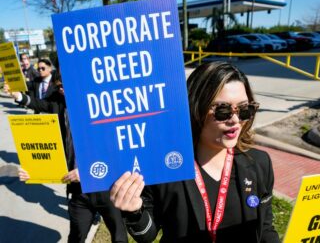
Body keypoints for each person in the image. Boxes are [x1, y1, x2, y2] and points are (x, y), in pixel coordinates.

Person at [109, 61, 281, 243]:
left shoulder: (259, 163)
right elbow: (147, 235)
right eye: (223, 110)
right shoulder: (165, 166)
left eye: (245, 110)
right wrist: (135, 211)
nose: (236, 120)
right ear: (195, 107)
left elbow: (264, 228)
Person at [5, 67, 128, 243]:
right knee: (76, 236)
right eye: (57, 86)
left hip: (106, 185)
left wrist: (87, 170)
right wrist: (35, 171)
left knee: (119, 236)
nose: (60, 89)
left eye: (63, 85)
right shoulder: (59, 101)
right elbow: (39, 104)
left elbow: (115, 147)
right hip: (78, 191)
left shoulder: (101, 104)